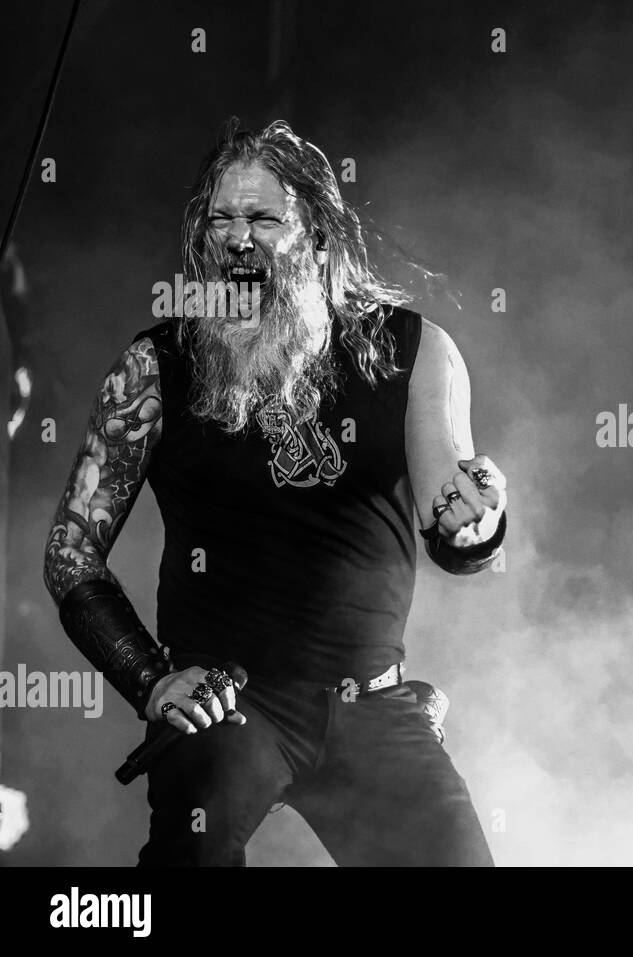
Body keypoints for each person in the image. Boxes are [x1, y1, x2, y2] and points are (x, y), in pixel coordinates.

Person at [42, 118, 505, 866]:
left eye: (261, 219)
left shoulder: (413, 351)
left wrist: (477, 526)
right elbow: (71, 552)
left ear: (316, 233)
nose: (237, 239)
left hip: (371, 704)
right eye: (220, 220)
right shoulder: (157, 366)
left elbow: (452, 518)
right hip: (228, 705)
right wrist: (150, 679)